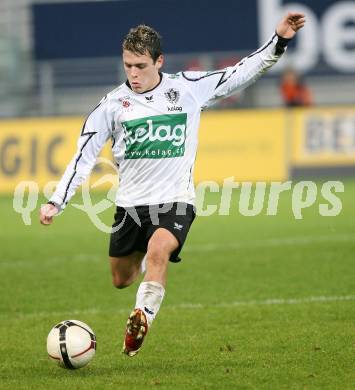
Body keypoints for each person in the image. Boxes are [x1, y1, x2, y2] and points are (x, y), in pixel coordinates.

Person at [40, 13, 306, 357]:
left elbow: (241, 72)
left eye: (140, 65)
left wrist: (279, 41)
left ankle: (142, 317)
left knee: (158, 251)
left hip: (175, 200)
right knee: (121, 278)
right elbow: (82, 157)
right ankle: (141, 285)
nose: (133, 74)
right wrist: (56, 202)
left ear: (159, 61)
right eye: (127, 66)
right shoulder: (111, 106)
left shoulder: (188, 88)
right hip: (130, 206)